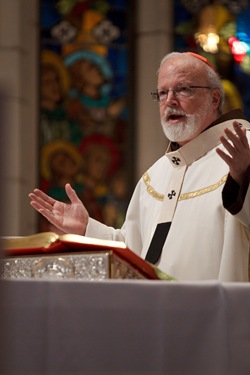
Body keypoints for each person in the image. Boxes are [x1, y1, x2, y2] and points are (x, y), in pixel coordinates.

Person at [29, 51, 250, 282]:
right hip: (158, 313)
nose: (170, 101)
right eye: (162, 93)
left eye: (183, 89)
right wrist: (88, 229)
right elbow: (134, 253)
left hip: (219, 313)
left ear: (214, 99)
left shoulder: (246, 149)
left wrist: (244, 179)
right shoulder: (156, 175)